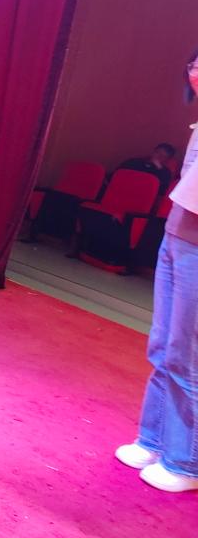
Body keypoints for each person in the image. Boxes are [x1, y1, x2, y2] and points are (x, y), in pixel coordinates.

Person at [114, 50, 198, 492]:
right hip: (176, 238)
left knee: (187, 356)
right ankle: (153, 439)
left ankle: (186, 462)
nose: (196, 72)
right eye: (194, 64)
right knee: (163, 347)